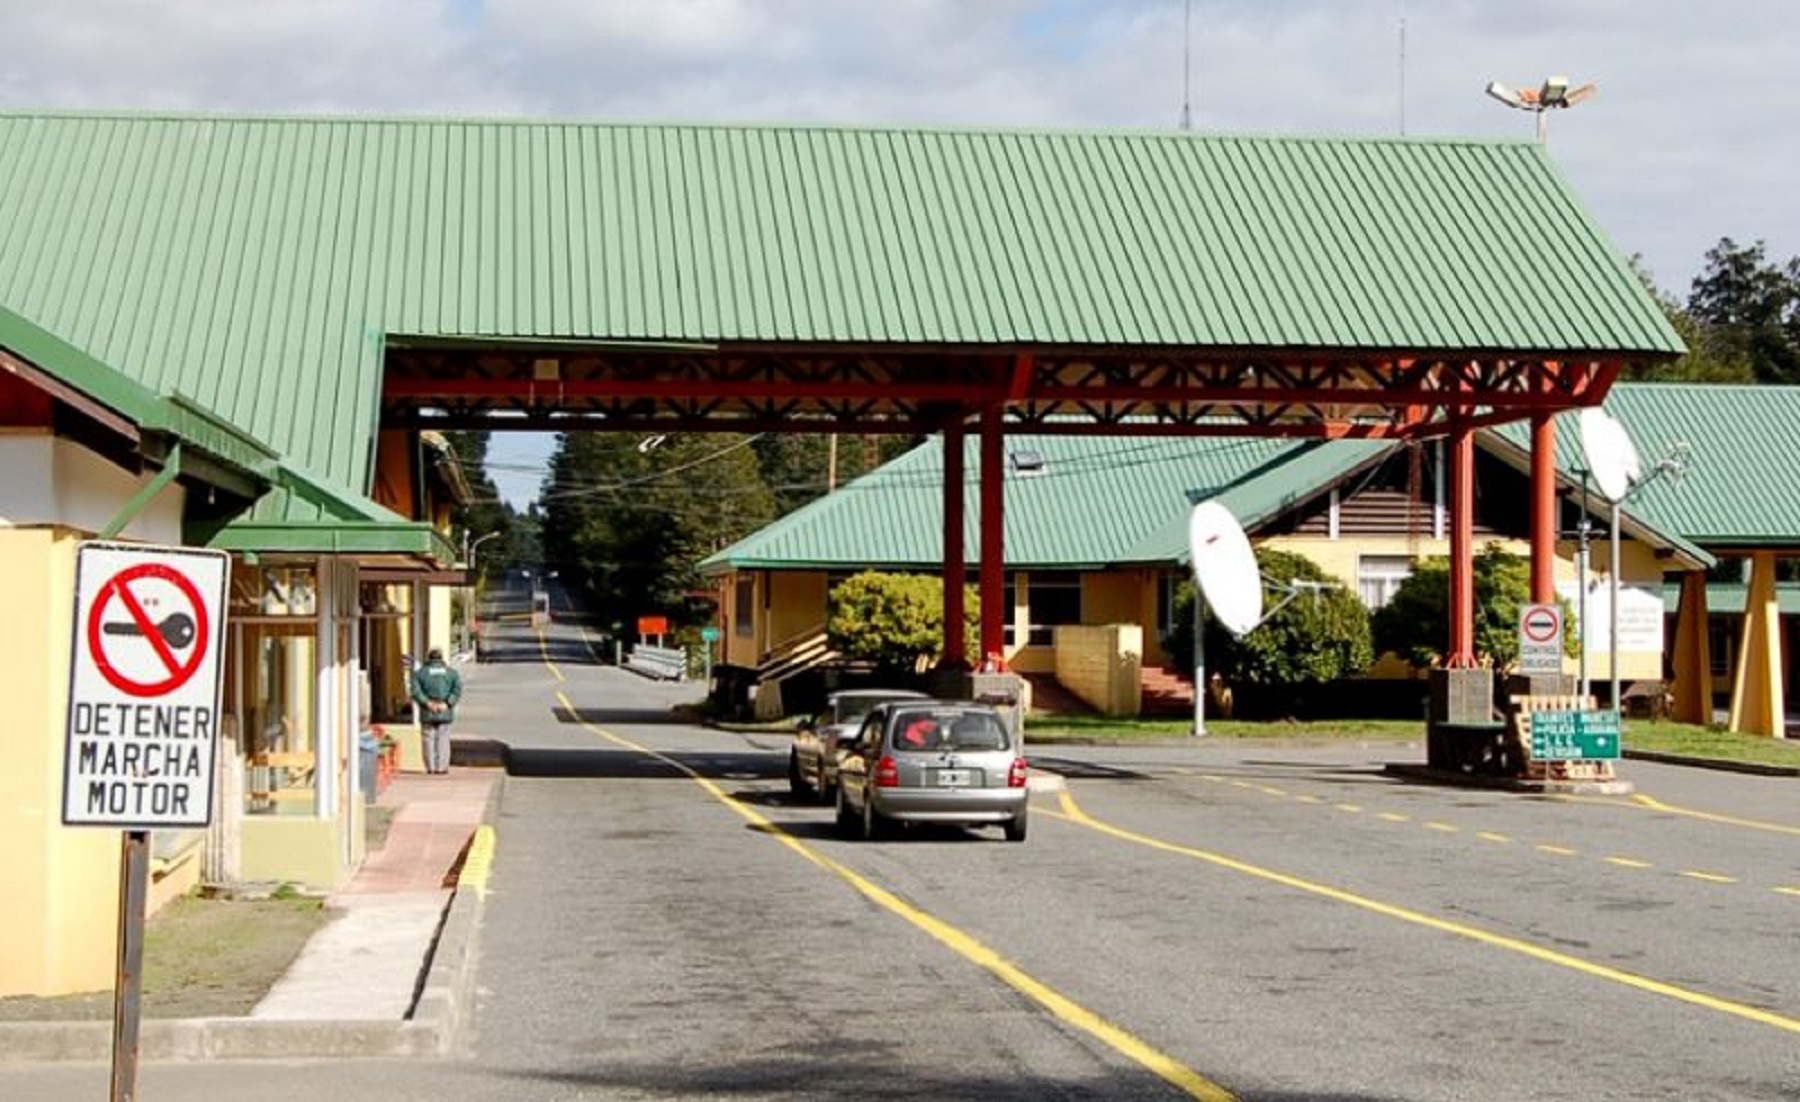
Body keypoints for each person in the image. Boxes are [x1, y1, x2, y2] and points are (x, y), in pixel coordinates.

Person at [410, 647, 462, 775]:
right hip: (445, 710)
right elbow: (457, 690)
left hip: (427, 710)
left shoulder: (420, 673)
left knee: (428, 738)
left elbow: (415, 691)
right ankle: (442, 767)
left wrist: (427, 703)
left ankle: (431, 767)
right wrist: (447, 703)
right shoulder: (451, 673)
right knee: (443, 738)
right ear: (441, 657)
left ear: (429, 657)